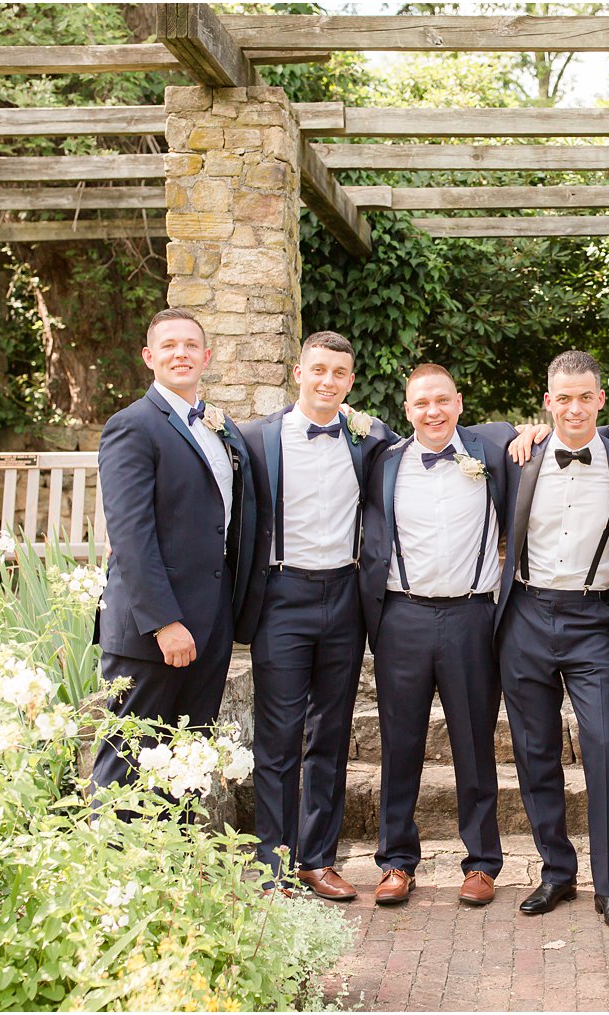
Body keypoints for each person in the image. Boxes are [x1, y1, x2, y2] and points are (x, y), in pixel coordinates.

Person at [236, 331, 394, 900]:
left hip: (345, 597)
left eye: (340, 373)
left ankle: (318, 859)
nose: (328, 381)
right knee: (277, 736)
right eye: (319, 370)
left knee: (330, 732)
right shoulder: (257, 439)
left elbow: (437, 439)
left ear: (351, 382)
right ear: (298, 372)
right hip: (282, 596)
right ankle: (273, 864)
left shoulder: (367, 438)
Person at [495, 350, 609, 932]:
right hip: (526, 618)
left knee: (604, 745)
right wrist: (525, 431)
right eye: (564, 398)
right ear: (547, 401)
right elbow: (463, 431)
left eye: (586, 397)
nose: (575, 408)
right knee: (535, 752)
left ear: (602, 400)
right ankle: (556, 871)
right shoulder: (519, 455)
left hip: (591, 622)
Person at [358, 364, 521, 908]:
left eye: (442, 401)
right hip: (400, 617)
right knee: (399, 746)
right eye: (421, 403)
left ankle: (481, 864)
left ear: (459, 403)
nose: (433, 411)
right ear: (406, 410)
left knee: (474, 744)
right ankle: (397, 862)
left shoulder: (492, 449)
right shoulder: (383, 461)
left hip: (472, 618)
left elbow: (547, 436)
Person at [92, 308, 259, 800]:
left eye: (190, 345)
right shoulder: (132, 426)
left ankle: (176, 871)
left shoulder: (218, 427)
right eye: (169, 346)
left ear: (206, 356)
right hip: (153, 632)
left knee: (188, 760)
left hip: (209, 626)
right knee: (129, 760)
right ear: (150, 357)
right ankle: (115, 872)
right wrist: (165, 622)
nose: (180, 353)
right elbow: (130, 534)